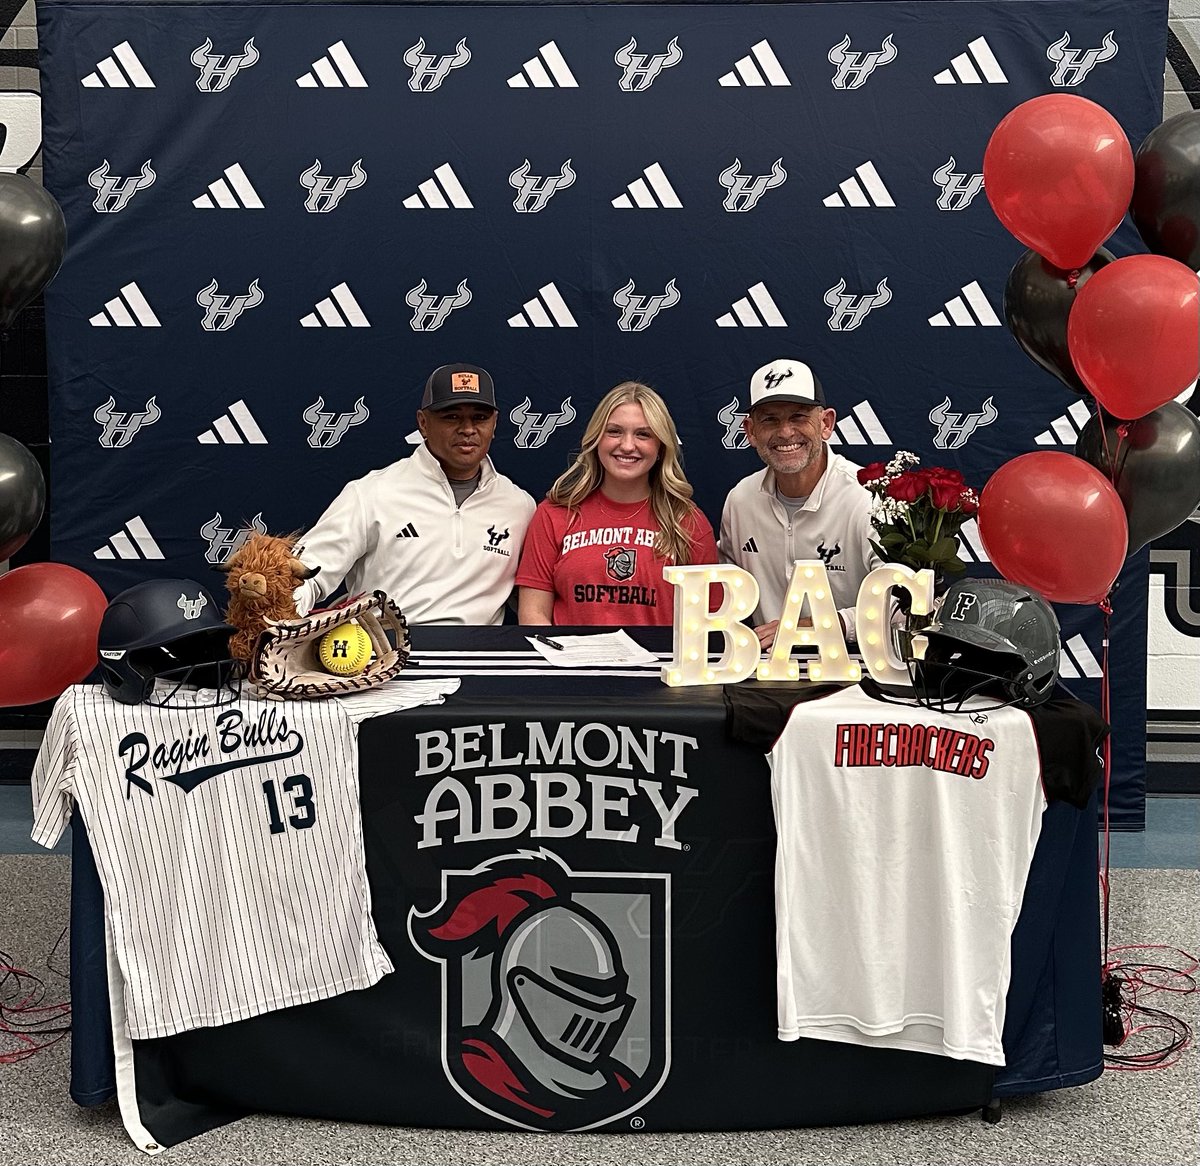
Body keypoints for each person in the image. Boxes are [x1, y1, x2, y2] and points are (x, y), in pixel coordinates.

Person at [293, 363, 536, 624]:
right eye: (451, 417)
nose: (467, 429)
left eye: (480, 417)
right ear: (423, 423)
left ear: (495, 423)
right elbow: (307, 573)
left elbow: (538, 596)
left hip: (477, 657)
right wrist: (279, 610)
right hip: (383, 655)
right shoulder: (371, 493)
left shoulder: (519, 506)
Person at [516, 382, 718, 626]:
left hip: (660, 664)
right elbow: (533, 614)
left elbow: (708, 621)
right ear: (596, 439)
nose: (627, 445)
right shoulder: (554, 514)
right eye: (614, 431)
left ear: (661, 447)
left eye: (643, 434)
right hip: (571, 663)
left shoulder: (688, 522)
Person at [718, 358, 879, 649]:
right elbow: (724, 595)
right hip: (766, 675)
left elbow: (903, 604)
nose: (785, 432)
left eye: (798, 417)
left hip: (857, 674)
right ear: (750, 431)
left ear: (826, 424)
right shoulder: (740, 500)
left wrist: (815, 627)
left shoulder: (867, 497)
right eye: (770, 419)